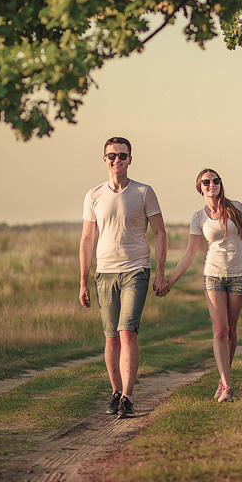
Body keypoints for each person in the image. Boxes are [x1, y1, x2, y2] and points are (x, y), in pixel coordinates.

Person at [79, 137, 167, 419]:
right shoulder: (93, 195)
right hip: (104, 272)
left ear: (131, 159)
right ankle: (115, 391)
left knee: (127, 330)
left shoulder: (144, 192)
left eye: (122, 155)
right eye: (111, 156)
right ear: (104, 159)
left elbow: (160, 233)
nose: (117, 160)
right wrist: (83, 279)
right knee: (110, 337)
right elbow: (87, 239)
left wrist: (161, 272)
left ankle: (128, 396)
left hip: (136, 269)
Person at [162, 168, 242, 403]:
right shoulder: (198, 218)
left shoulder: (236, 208)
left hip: (239, 276)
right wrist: (169, 282)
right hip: (213, 276)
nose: (211, 184)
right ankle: (227, 386)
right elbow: (189, 255)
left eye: (215, 181)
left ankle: (222, 379)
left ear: (220, 184)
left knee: (231, 331)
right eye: (206, 182)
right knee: (219, 330)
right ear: (200, 187)